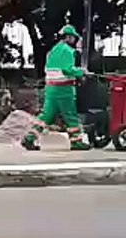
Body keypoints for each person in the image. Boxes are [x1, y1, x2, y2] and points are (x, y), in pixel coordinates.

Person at [23, 24, 91, 152]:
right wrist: (81, 72)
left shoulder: (53, 51)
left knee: (46, 116)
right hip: (64, 89)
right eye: (73, 37)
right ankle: (76, 141)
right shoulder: (68, 51)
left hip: (51, 88)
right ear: (69, 37)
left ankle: (30, 137)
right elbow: (67, 69)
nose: (74, 40)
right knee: (70, 115)